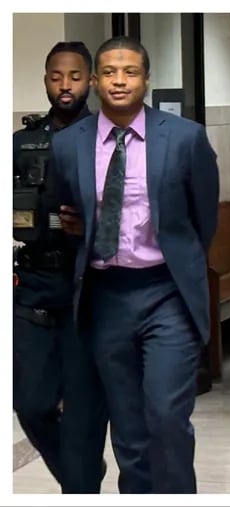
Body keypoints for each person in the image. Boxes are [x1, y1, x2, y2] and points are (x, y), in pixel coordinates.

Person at [49, 36, 219, 493]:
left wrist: (180, 269)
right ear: (97, 81)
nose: (119, 81)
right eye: (109, 72)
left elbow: (203, 221)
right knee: (128, 429)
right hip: (107, 297)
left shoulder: (185, 138)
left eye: (129, 72)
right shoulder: (69, 145)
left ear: (146, 79)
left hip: (168, 294)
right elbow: (68, 215)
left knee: (166, 415)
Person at [12, 41, 108, 493]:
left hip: (87, 287)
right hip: (32, 285)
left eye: (74, 76)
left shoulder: (107, 136)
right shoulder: (24, 141)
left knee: (85, 413)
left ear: (90, 80)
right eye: (56, 76)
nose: (64, 86)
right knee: (30, 404)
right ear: (46, 80)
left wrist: (87, 223)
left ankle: (81, 486)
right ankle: (80, 481)